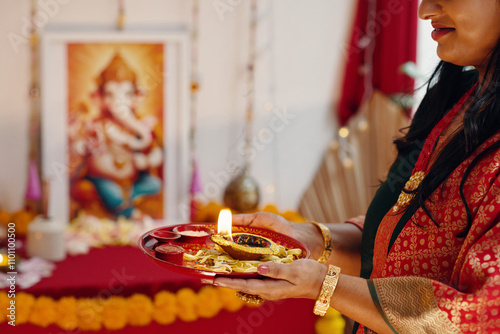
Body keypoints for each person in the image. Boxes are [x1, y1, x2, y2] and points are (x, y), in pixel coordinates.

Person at [213, 0, 500, 333]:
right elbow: (394, 244)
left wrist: (323, 284)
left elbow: (480, 313)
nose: (425, 10)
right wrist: (303, 239)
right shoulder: (453, 100)